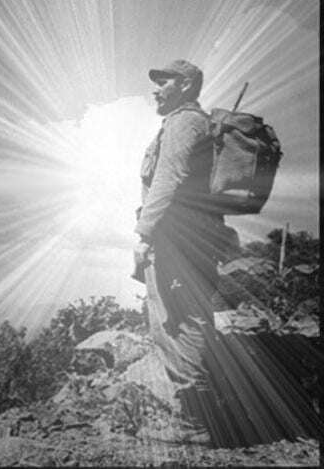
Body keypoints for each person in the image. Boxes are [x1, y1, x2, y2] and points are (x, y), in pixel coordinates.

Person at [132, 59, 232, 443]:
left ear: (187, 85)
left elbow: (167, 180)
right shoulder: (186, 123)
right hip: (189, 237)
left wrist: (143, 234)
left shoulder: (184, 123)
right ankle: (199, 418)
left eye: (164, 81)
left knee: (179, 322)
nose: (156, 89)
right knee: (182, 318)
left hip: (178, 240)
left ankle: (195, 423)